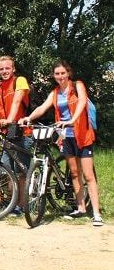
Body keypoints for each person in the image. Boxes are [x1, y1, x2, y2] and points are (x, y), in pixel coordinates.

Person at [20, 60, 103, 226]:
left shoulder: (77, 85)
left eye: (63, 73)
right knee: (74, 173)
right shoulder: (55, 92)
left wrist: (72, 119)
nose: (60, 76)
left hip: (82, 134)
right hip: (66, 136)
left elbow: (81, 103)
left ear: (68, 73)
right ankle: (80, 208)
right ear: (54, 76)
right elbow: (42, 108)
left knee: (88, 175)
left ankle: (96, 213)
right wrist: (29, 117)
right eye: (57, 74)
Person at [0, 55, 31, 216]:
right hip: (8, 132)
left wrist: (9, 119)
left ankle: (23, 205)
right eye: (1, 69)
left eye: (7, 68)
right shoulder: (0, 86)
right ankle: (12, 204)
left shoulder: (19, 81)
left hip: (22, 131)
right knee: (6, 169)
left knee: (21, 171)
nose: (4, 71)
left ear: (13, 69)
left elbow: (17, 102)